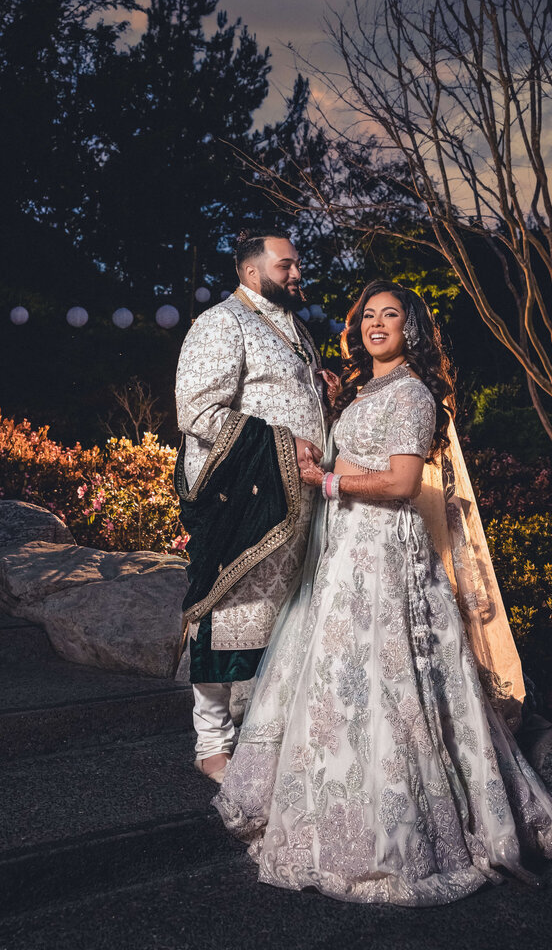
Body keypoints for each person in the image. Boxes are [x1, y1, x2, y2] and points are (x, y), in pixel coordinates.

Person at [213, 280, 552, 906]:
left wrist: (324, 480)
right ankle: (328, 814)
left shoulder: (412, 392)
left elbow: (405, 483)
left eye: (391, 315)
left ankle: (395, 837)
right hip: (345, 551)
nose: (376, 324)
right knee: (337, 681)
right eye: (368, 316)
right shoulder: (367, 389)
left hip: (384, 555)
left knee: (388, 683)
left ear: (412, 329)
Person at [175, 229, 335, 785]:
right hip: (245, 499)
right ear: (250, 272)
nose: (296, 274)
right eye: (286, 266)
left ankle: (264, 734)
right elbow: (196, 411)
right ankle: (212, 744)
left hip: (300, 501)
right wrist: (280, 445)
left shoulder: (297, 330)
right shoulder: (222, 323)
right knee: (228, 615)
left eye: (296, 265)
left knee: (282, 621)